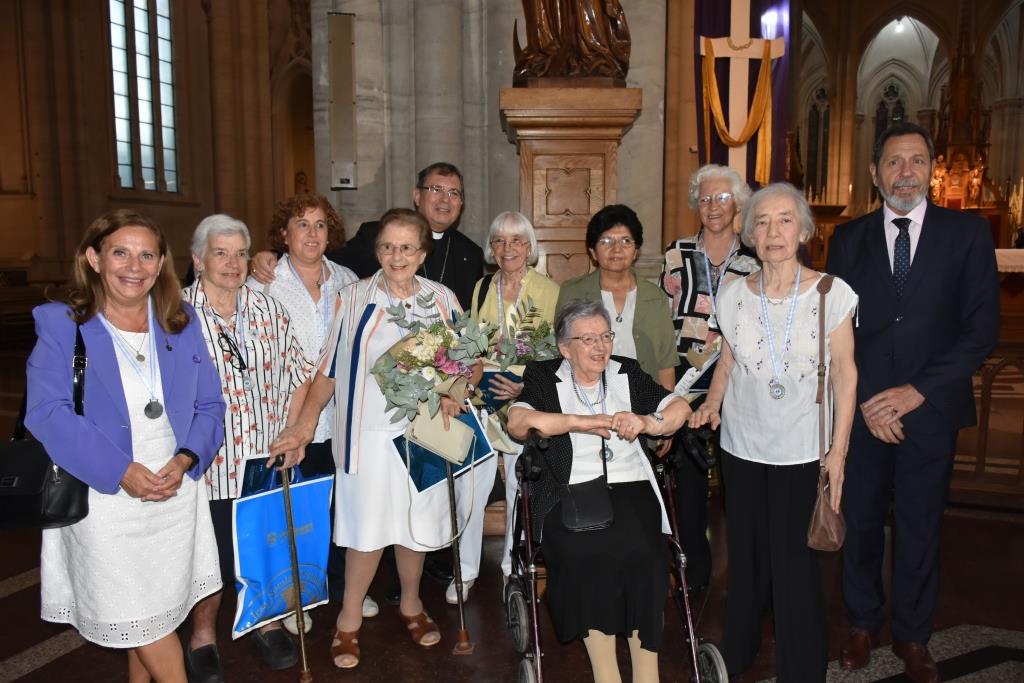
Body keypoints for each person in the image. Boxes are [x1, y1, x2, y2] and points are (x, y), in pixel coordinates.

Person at [828, 122, 1000, 683]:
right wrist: (871, 403)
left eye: (917, 160)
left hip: (931, 410)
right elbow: (838, 330)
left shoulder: (967, 235)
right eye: (895, 161)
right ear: (875, 173)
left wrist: (913, 394)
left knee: (921, 526)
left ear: (932, 169)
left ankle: (913, 636)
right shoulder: (848, 240)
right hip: (864, 411)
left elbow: (980, 332)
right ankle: (861, 624)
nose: (906, 171)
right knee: (859, 521)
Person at [25, 209, 226, 682]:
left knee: (153, 612)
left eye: (146, 255)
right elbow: (47, 413)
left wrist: (187, 458)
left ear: (160, 266)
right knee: (137, 613)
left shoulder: (179, 319)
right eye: (120, 252)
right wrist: (121, 471)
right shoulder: (62, 323)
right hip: (105, 495)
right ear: (93, 258)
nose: (133, 266)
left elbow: (210, 403)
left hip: (175, 490)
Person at [270, 208, 473, 670]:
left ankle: (411, 605)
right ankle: (347, 622)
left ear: (422, 254)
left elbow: (467, 361)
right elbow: (329, 372)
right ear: (376, 249)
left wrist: (455, 390)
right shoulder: (355, 297)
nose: (395, 256)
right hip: (367, 435)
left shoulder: (443, 299)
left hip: (423, 433)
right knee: (365, 532)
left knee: (415, 526)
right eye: (387, 246)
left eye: (406, 247)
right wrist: (303, 426)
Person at [688, 182, 858, 682]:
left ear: (804, 230)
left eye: (785, 220)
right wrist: (713, 404)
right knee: (745, 554)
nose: (773, 231)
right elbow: (729, 356)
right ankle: (739, 648)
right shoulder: (734, 293)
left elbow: (847, 373)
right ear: (748, 235)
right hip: (741, 445)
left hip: (803, 448)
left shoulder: (832, 293)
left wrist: (839, 452)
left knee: (794, 563)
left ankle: (802, 669)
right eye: (761, 222)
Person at [507, 299, 692, 683]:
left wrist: (648, 422)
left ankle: (646, 675)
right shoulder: (544, 376)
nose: (600, 347)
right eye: (587, 338)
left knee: (649, 560)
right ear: (564, 348)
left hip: (631, 486)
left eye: (605, 336)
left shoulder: (627, 372)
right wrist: (579, 422)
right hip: (567, 491)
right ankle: (606, 673)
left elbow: (679, 408)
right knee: (584, 559)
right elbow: (518, 423)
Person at [182, 214, 313, 680]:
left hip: (266, 457)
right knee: (210, 556)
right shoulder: (174, 317)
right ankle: (202, 636)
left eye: (240, 253)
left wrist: (296, 432)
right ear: (198, 259)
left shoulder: (268, 309)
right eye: (221, 253)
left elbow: (300, 375)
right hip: (207, 465)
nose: (233, 263)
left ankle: (266, 621)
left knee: (264, 546)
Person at [251, 194, 376, 629]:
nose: (311, 233)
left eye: (320, 225)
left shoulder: (347, 280)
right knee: (294, 512)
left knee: (342, 507)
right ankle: (295, 597)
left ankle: (344, 590)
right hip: (287, 415)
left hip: (341, 416)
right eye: (301, 225)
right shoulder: (262, 283)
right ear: (284, 234)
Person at [659, 164, 759, 594]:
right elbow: (663, 322)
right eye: (704, 199)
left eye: (721, 198)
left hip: (740, 381)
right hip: (686, 381)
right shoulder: (676, 253)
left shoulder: (756, 257)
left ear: (738, 202)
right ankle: (692, 573)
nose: (712, 206)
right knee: (688, 483)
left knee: (741, 482)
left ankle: (750, 577)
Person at [456, 210, 561, 600]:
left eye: (517, 241)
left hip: (523, 399)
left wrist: (525, 387)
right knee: (472, 485)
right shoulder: (482, 288)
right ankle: (465, 570)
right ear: (492, 248)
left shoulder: (549, 290)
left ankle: (512, 567)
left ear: (530, 247)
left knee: (520, 484)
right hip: (484, 399)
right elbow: (473, 344)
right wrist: (474, 369)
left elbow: (554, 356)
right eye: (500, 240)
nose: (508, 248)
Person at [251, 162, 485, 312]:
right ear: (416, 195)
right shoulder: (376, 234)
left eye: (454, 193)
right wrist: (276, 254)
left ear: (461, 203)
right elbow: (328, 257)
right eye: (436, 190)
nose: (445, 200)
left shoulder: (471, 254)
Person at [556, 204, 678, 395]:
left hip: (643, 401)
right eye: (606, 241)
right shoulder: (572, 292)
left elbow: (666, 364)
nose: (617, 249)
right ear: (593, 251)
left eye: (626, 241)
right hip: (584, 398)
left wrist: (664, 413)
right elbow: (561, 353)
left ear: (636, 251)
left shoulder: (655, 297)